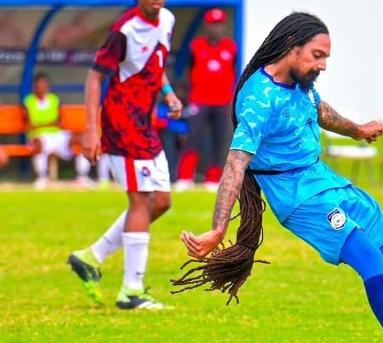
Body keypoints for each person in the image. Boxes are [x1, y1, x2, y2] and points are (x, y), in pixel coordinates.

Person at [173, 13, 383, 343]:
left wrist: (357, 130)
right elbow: (236, 163)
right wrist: (219, 228)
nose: (322, 65)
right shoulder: (259, 96)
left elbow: (319, 112)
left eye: (326, 57)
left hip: (329, 184)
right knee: (371, 260)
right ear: (292, 47)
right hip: (301, 199)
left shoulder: (302, 85)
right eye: (317, 55)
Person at [67, 0, 182, 310]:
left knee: (160, 201)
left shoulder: (167, 20)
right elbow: (94, 77)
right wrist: (92, 129)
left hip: (145, 124)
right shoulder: (125, 30)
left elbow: (155, 66)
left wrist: (168, 92)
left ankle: (92, 257)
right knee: (141, 201)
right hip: (122, 124)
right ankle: (131, 292)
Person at [174, 8, 236, 191]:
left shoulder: (231, 47)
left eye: (219, 24)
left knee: (219, 140)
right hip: (199, 100)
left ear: (223, 26)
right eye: (212, 24)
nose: (216, 28)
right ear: (206, 26)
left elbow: (234, 71)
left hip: (222, 101)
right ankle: (185, 177)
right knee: (192, 138)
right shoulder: (196, 46)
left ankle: (213, 179)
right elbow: (187, 70)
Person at [23, 73, 92, 189]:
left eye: (45, 85)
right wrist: (49, 123)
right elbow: (29, 125)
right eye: (39, 85)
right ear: (35, 86)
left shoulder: (55, 99)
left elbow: (60, 123)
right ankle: (42, 177)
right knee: (39, 143)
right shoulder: (28, 101)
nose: (42, 88)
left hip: (57, 134)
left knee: (82, 139)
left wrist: (41, 124)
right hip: (39, 136)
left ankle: (82, 176)